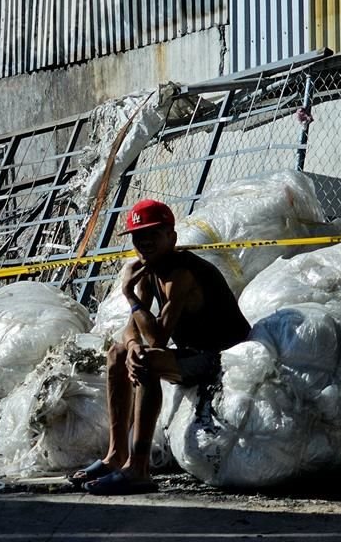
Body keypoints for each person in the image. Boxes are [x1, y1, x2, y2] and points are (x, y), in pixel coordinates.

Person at [69, 199, 250, 495]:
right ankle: (116, 457)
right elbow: (133, 329)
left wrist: (129, 295)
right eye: (139, 236)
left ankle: (139, 469)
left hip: (219, 359)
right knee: (117, 353)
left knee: (148, 360)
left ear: (172, 237)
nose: (145, 241)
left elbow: (157, 340)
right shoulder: (148, 271)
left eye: (153, 233)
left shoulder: (180, 273)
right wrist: (131, 346)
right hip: (189, 354)